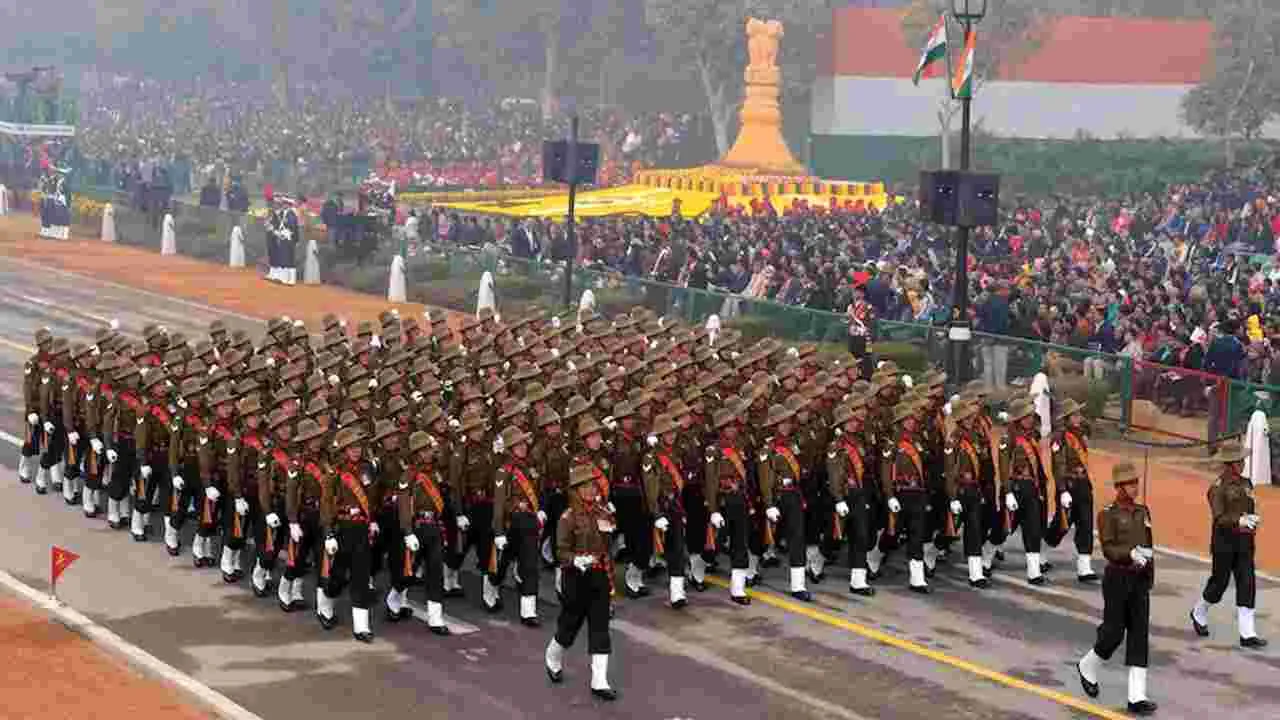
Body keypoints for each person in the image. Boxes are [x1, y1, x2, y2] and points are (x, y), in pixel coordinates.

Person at [1076, 461, 1157, 716]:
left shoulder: (1143, 512)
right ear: (1119, 487)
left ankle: (1137, 696)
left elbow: (1149, 545)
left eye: (1136, 483)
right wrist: (1129, 554)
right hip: (1117, 578)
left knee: (1139, 636)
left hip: (1139, 580)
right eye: (1129, 484)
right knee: (1113, 633)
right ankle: (1087, 665)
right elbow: (1109, 549)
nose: (1134, 488)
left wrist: (1148, 574)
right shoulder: (1107, 514)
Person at [545, 463, 618, 701]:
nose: (590, 490)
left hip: (598, 575)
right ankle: (553, 657)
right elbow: (560, 551)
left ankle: (600, 680)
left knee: (600, 627)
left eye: (592, 485)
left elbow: (609, 543)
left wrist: (612, 522)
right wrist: (575, 560)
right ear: (575, 490)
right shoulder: (568, 517)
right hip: (576, 577)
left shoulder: (602, 511)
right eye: (584, 486)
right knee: (570, 625)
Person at [1190, 441, 1267, 649]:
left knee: (1247, 581)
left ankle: (1247, 633)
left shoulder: (1246, 484)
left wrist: (1252, 519)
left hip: (1244, 541)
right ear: (1230, 464)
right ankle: (1199, 610)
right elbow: (1219, 517)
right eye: (1240, 461)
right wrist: (1239, 521)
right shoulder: (1217, 489)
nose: (1243, 463)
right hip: (1224, 542)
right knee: (1219, 583)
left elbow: (1250, 506)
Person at [758, 403, 812, 601]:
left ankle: (798, 585)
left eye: (789, 422)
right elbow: (765, 478)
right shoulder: (768, 448)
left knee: (797, 538)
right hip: (776, 495)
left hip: (793, 495)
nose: (787, 426)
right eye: (782, 423)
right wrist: (769, 503)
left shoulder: (793, 444)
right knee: (764, 536)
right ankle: (749, 570)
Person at [492, 425, 545, 627]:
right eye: (517, 444)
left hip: (528, 523)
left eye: (523, 443)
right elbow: (499, 504)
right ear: (509, 448)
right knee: (504, 561)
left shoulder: (529, 467)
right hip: (512, 523)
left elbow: (536, 492)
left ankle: (528, 611)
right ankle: (493, 582)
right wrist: (498, 532)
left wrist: (538, 509)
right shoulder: (502, 472)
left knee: (530, 564)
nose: (523, 447)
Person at [400, 430, 451, 635]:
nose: (430, 453)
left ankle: (435, 617)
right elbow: (404, 505)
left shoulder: (435, 473)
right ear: (417, 453)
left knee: (435, 572)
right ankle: (395, 600)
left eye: (430, 449)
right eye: (425, 450)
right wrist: (407, 531)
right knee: (407, 572)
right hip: (417, 526)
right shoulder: (409, 476)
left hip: (433, 527)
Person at [1046, 398, 1100, 583]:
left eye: (1079, 414)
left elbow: (1092, 429)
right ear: (1067, 417)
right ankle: (1043, 550)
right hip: (1068, 485)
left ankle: (1084, 567)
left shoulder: (1081, 433)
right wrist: (1062, 490)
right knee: (1062, 524)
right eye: (1075, 414)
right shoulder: (1059, 438)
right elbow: (1058, 465)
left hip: (1083, 484)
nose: (1079, 417)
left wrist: (1082, 423)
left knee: (1086, 523)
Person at [827, 399, 876, 596]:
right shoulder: (835, 446)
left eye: (855, 420)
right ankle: (818, 560)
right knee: (835, 536)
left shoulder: (859, 442)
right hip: (844, 495)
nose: (854, 423)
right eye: (849, 421)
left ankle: (858, 581)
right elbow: (834, 473)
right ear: (841, 424)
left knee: (861, 535)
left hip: (859, 494)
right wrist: (838, 499)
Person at [1002, 398, 1049, 585]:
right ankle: (986, 556)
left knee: (1033, 528)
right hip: (1015, 487)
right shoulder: (1009, 439)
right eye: (1026, 416)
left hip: (1032, 488)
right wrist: (1007, 492)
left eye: (1031, 415)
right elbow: (1004, 467)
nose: (1030, 419)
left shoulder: (1033, 436)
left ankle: (1033, 570)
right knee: (1005, 528)